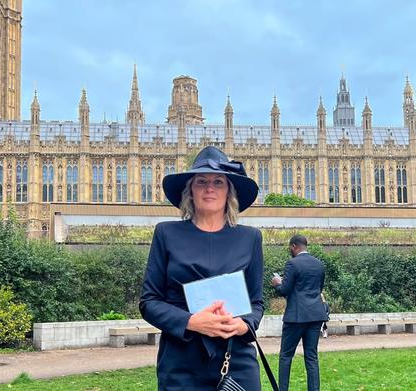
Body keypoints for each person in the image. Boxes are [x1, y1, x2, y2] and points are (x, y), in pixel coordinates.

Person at [140, 146, 264, 391]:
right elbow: (149, 301)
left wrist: (243, 325)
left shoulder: (250, 238)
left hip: (235, 359)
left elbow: (256, 303)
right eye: (202, 181)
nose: (210, 188)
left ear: (229, 191)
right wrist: (191, 321)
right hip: (181, 362)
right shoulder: (166, 233)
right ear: (190, 190)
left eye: (218, 181)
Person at [271, 234, 328, 391]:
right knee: (311, 357)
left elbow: (285, 290)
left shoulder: (292, 264)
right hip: (316, 315)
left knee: (286, 356)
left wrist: (277, 283)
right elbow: (318, 289)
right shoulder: (319, 264)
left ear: (294, 246)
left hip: (296, 317)